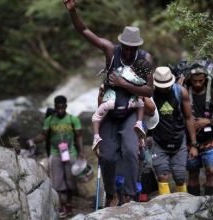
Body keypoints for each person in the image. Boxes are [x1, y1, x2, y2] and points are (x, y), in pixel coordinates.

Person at [64, 0, 154, 206]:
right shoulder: (111, 51)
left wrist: (123, 83)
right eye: (126, 48)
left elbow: (149, 90)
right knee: (107, 156)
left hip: (131, 110)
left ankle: (130, 195)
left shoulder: (144, 59)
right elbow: (84, 31)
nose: (129, 52)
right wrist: (73, 11)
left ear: (138, 46)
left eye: (133, 48)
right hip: (110, 112)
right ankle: (112, 194)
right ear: (121, 44)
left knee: (132, 151)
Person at [27, 95, 85, 218]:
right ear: (54, 107)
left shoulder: (72, 119)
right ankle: (62, 207)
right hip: (55, 154)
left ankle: (69, 206)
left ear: (66, 106)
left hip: (70, 153)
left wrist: (81, 151)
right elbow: (43, 135)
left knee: (70, 183)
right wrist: (33, 140)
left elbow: (79, 136)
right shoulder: (50, 120)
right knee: (56, 184)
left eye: (62, 107)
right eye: (57, 108)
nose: (60, 110)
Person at [151, 66, 198, 195]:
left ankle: (182, 207)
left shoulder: (181, 92)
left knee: (180, 177)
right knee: (162, 176)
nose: (164, 88)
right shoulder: (150, 93)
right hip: (158, 140)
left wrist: (193, 144)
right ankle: (165, 209)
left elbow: (189, 118)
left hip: (178, 139)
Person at [185, 65, 213, 196]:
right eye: (194, 81)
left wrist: (208, 121)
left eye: (201, 80)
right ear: (189, 79)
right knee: (192, 173)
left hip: (210, 139)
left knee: (211, 171)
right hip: (189, 141)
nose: (198, 84)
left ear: (206, 79)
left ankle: (211, 205)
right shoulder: (183, 92)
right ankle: (193, 205)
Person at [91, 61, 153, 150]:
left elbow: (110, 77)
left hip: (110, 102)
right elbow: (145, 91)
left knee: (96, 117)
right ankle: (139, 123)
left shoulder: (122, 70)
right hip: (130, 104)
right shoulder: (140, 81)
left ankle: (96, 136)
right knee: (141, 103)